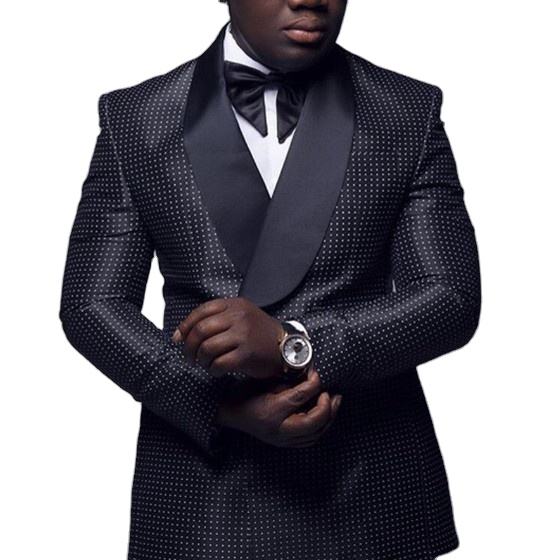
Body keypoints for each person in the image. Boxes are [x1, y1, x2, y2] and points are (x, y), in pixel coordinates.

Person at [58, 0, 481, 559]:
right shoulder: (137, 117)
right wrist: (215, 408)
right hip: (201, 493)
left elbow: (450, 296)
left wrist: (293, 344)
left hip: (369, 492)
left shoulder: (406, 109)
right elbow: (91, 304)